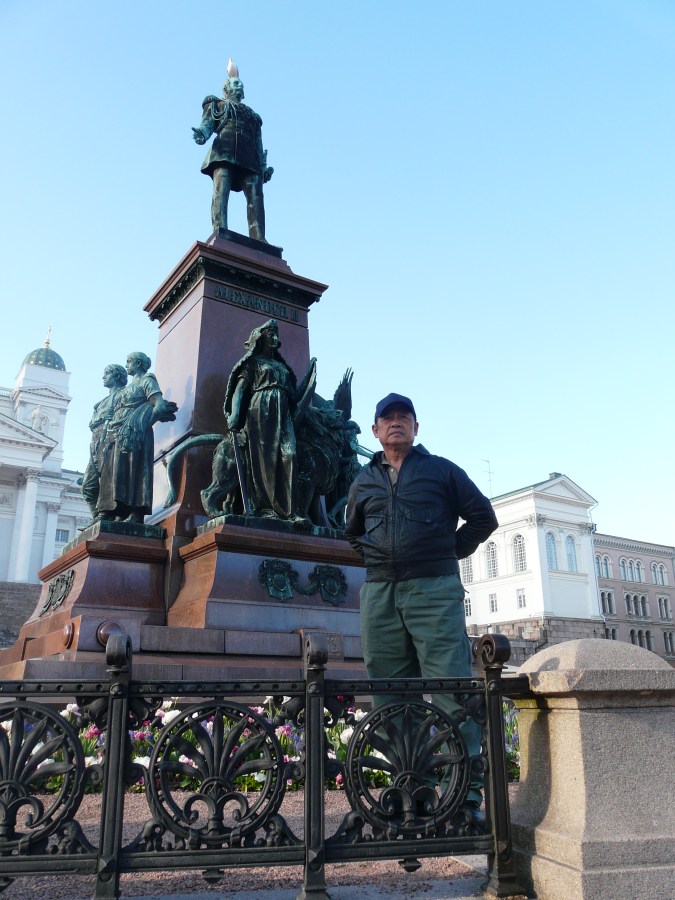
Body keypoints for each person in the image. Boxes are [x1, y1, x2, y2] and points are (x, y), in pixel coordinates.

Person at [345, 393, 498, 829]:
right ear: (375, 430)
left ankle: (464, 796)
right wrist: (378, 559)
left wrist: (448, 551)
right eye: (388, 418)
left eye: (404, 417)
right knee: (391, 695)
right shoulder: (363, 480)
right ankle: (412, 790)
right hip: (380, 594)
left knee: (452, 690)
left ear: (416, 427)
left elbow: (483, 518)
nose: (396, 423)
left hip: (434, 590)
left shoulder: (443, 471)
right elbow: (352, 533)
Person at [224, 319, 315, 521]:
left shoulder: (282, 367)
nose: (274, 338)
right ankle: (266, 508)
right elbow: (240, 390)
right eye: (270, 335)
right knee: (265, 459)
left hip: (283, 413)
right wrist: (235, 415)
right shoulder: (253, 362)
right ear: (260, 339)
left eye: (276, 335)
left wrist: (309, 375)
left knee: (289, 454)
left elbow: (295, 395)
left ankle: (290, 511)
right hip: (260, 411)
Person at [192, 59, 273, 240]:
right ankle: (220, 229)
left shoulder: (253, 116)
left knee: (256, 195)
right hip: (224, 150)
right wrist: (202, 134)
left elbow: (258, 143)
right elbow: (207, 124)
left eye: (241, 85)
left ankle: (259, 237)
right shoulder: (218, 104)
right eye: (236, 84)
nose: (239, 86)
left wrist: (263, 166)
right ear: (226, 89)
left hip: (249, 156)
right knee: (221, 191)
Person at [97, 352, 177, 523]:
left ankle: (136, 513)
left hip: (136, 434)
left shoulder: (147, 380)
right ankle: (119, 511)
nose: (126, 365)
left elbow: (159, 406)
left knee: (136, 470)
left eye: (129, 362)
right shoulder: (126, 388)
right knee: (117, 473)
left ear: (138, 363)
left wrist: (141, 424)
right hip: (119, 433)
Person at [81, 364, 128, 519]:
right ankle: (98, 519)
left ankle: (106, 517)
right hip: (96, 445)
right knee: (87, 488)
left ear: (117, 376)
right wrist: (102, 417)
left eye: (107, 374)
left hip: (111, 444)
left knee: (109, 485)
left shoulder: (124, 394)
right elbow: (91, 423)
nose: (103, 377)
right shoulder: (100, 403)